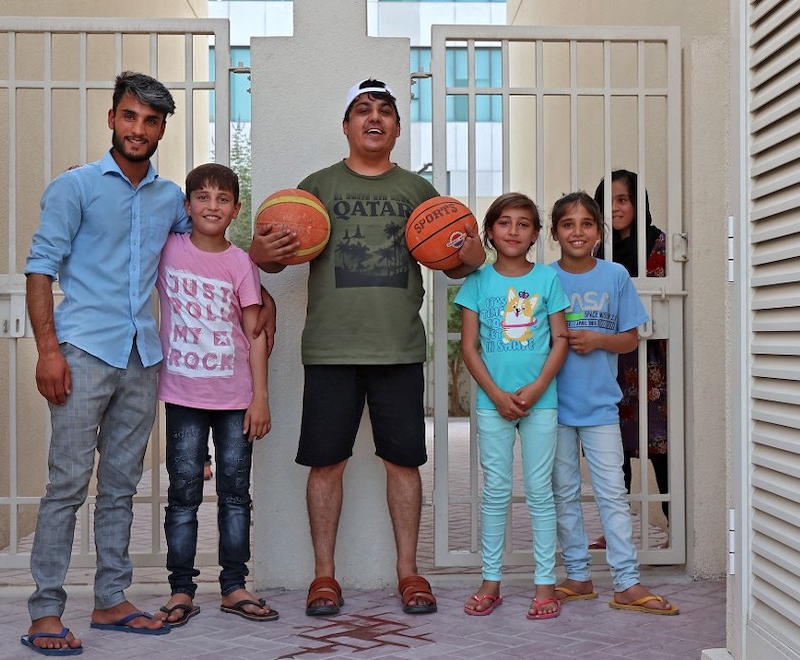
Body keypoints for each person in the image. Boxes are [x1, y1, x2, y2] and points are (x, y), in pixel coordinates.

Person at [21, 72, 275, 656]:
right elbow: (40, 269)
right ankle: (45, 612)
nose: (139, 129)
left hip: (143, 360)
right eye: (130, 116)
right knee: (66, 484)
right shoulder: (76, 188)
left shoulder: (169, 200)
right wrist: (48, 351)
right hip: (82, 351)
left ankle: (111, 599)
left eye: (151, 121)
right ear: (112, 119)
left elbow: (214, 254)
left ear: (162, 129)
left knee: (119, 487)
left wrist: (260, 281)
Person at [249, 78, 484, 617]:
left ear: (398, 128)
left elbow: (461, 263)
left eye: (385, 111)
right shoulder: (316, 187)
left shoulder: (421, 195)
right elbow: (274, 260)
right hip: (330, 350)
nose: (374, 118)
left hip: (398, 349)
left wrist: (471, 252)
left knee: (403, 463)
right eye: (362, 110)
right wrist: (260, 253)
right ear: (347, 125)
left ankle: (408, 571)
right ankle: (324, 576)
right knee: (325, 463)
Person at [154, 163, 278, 626]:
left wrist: (260, 396)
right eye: (202, 197)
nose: (212, 206)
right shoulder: (168, 250)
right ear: (186, 206)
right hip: (183, 394)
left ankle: (234, 586)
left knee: (234, 495)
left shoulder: (239, 262)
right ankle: (181, 589)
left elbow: (256, 332)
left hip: (235, 398)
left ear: (235, 209)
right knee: (183, 494)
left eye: (222, 199)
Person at [548, 191, 679, 615]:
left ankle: (627, 582)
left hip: (602, 406)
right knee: (564, 494)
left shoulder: (615, 276)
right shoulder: (544, 279)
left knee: (612, 495)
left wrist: (598, 340)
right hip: (554, 408)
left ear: (599, 232)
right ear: (554, 233)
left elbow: (630, 337)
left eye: (587, 224)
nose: (578, 232)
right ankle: (578, 575)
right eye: (568, 224)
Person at [453, 192, 569, 619]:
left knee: (540, 491)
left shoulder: (547, 281)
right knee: (496, 491)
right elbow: (469, 347)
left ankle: (544, 584)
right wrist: (497, 395)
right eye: (505, 223)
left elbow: (560, 339)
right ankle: (491, 580)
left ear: (536, 234)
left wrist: (538, 387)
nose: (514, 231)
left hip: (542, 402)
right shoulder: (477, 281)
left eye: (523, 224)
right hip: (492, 404)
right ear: (489, 232)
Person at [588, 170, 670, 550]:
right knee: (611, 449)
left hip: (652, 364)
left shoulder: (660, 246)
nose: (616, 208)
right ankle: (615, 531)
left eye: (623, 199)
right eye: (608, 201)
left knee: (660, 448)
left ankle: (673, 526)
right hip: (609, 362)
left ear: (639, 203)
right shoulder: (596, 253)